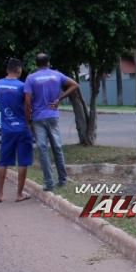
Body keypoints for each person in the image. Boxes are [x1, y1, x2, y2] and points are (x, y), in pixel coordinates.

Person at [24, 53, 79, 192]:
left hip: (37, 118)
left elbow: (28, 101)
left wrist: (28, 120)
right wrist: (59, 98)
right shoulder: (57, 75)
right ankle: (63, 179)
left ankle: (49, 183)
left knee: (43, 150)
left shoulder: (31, 78)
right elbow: (74, 85)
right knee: (57, 148)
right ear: (48, 62)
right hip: (53, 115)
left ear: (36, 64)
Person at [0, 58, 34, 203]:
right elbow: (28, 106)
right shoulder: (23, 86)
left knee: (3, 162)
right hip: (22, 127)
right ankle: (19, 194)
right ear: (19, 70)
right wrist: (29, 122)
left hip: (6, 128)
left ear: (7, 70)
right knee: (23, 162)